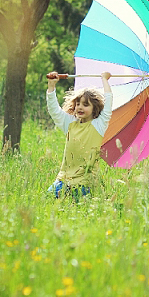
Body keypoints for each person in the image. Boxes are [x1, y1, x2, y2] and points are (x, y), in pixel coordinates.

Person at [45, 71, 113, 200]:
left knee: (79, 209)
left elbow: (108, 102)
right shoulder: (70, 124)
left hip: (85, 184)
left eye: (85, 105)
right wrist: (51, 86)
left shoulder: (98, 125)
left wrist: (104, 80)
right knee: (47, 202)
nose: (80, 107)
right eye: (78, 104)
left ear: (95, 108)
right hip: (63, 180)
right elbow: (54, 111)